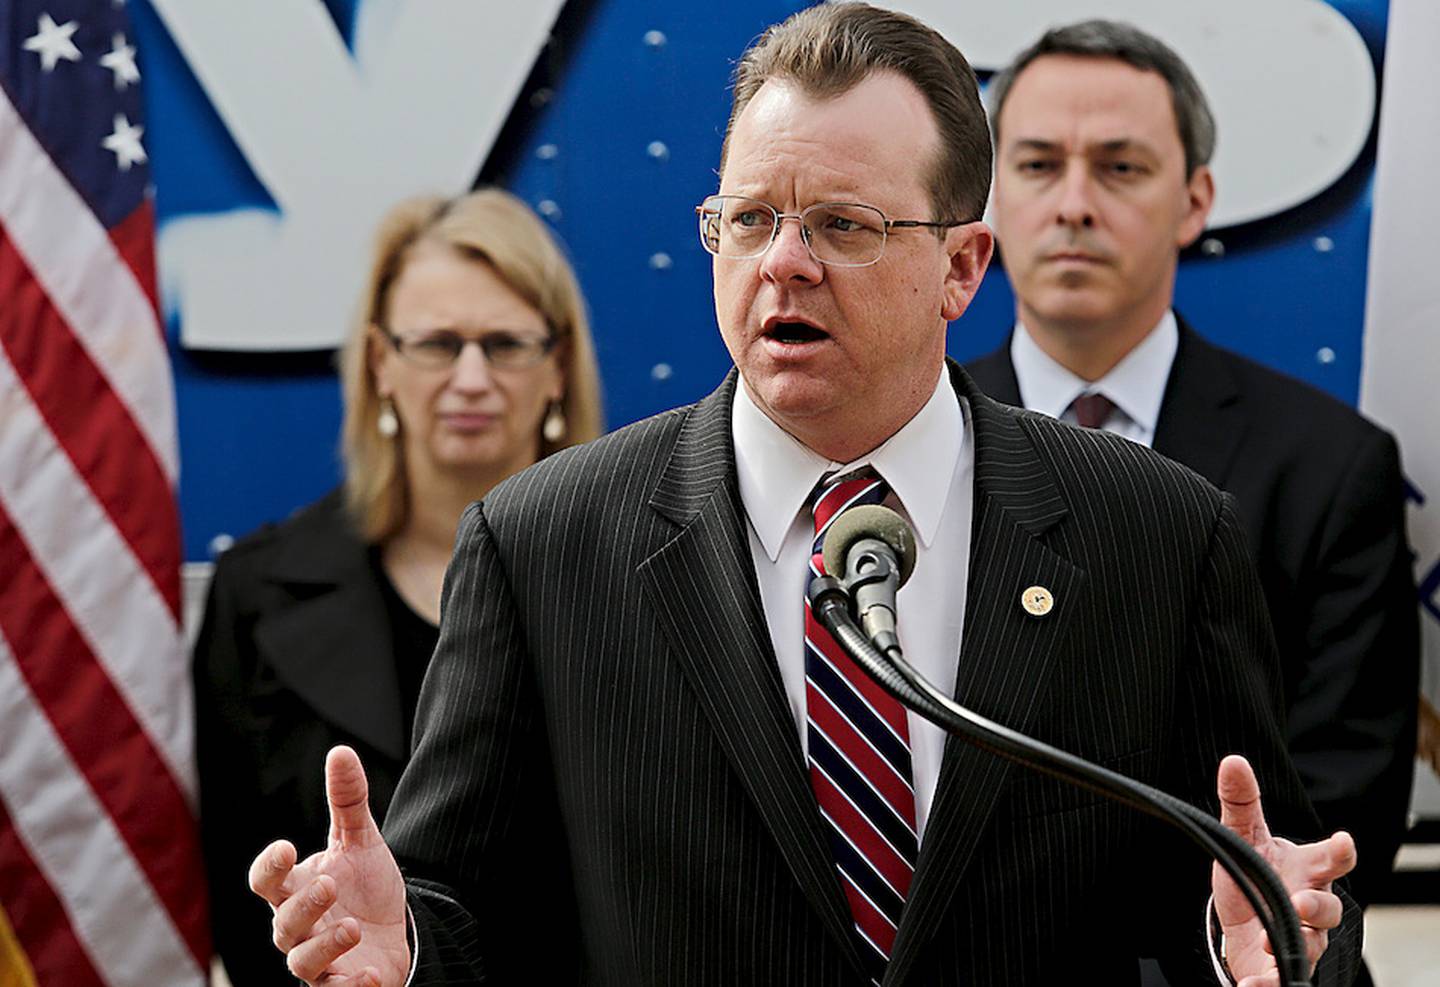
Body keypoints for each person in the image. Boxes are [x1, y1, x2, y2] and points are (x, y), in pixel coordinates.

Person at [247, 6, 1361, 985]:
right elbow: (463, 911)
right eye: (749, 220)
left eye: (843, 225)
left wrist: (1264, 947)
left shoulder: (1156, 536)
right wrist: (405, 956)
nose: (784, 262)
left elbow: (1269, 892)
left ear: (964, 269)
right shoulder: (545, 545)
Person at [965, 20, 1418, 913]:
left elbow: (1345, 810)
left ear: (1196, 199)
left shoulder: (1329, 466)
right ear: (987, 200)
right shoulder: (900, 444)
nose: (1075, 204)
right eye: (1038, 164)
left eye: (1122, 167)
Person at [193, 187, 603, 985]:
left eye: (507, 343)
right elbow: (239, 898)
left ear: (558, 366)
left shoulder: (635, 575)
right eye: (439, 343)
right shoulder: (259, 594)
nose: (473, 377)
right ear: (380, 362)